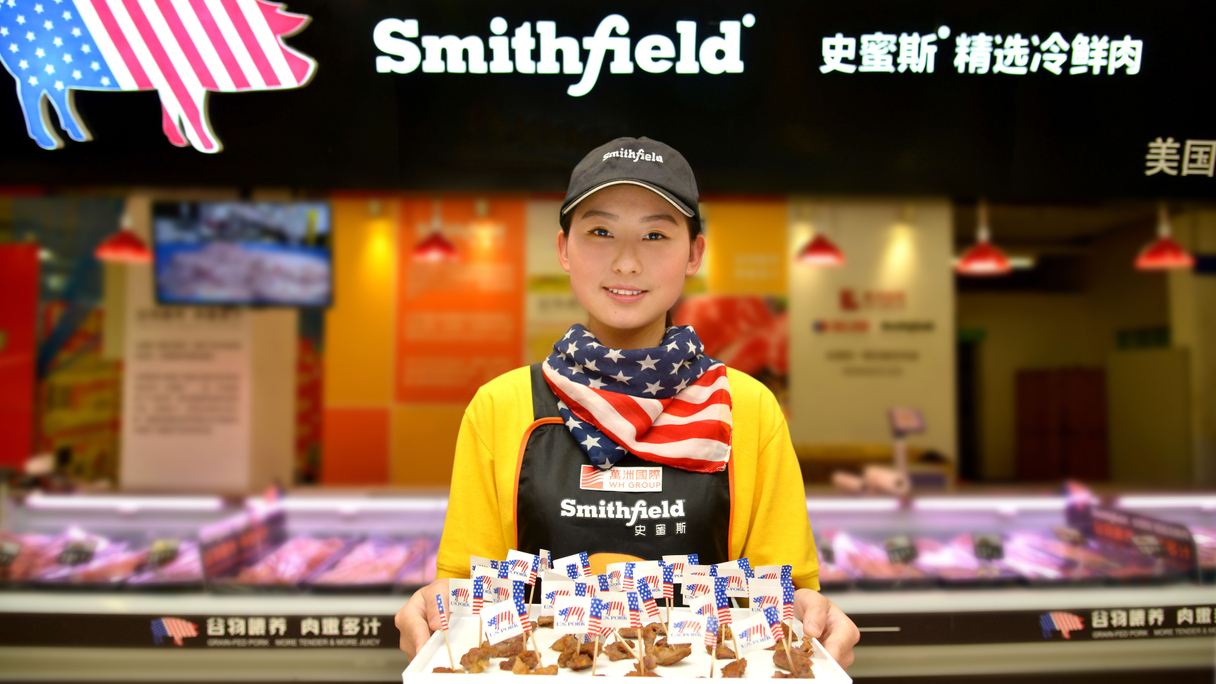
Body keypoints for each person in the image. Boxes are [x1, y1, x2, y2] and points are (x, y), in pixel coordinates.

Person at [395, 136, 860, 669]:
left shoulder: (746, 407)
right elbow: (464, 589)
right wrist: (435, 606)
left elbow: (785, 591)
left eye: (656, 234)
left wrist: (813, 616)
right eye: (600, 231)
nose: (626, 261)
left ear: (694, 254)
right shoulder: (502, 406)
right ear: (564, 249)